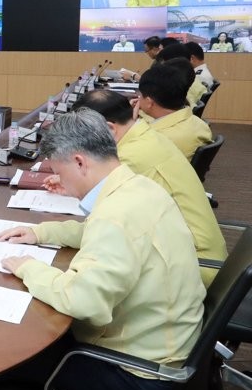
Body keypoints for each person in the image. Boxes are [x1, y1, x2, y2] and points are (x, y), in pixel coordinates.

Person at [0, 108, 205, 390]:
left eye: (60, 172)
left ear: (80, 162)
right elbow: (99, 231)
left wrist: (28, 268)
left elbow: (83, 301)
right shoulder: (137, 185)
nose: (60, 182)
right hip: (164, 347)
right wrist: (41, 232)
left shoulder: (115, 215)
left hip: (135, 374)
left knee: (2, 358)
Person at [69, 89, 225, 286]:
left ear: (109, 129)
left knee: (83, 276)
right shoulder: (146, 135)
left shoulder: (128, 158)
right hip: (192, 251)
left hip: (194, 264)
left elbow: (98, 218)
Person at [136, 62, 212, 160]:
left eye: (140, 95)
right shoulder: (200, 124)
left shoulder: (156, 138)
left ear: (149, 102)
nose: (138, 98)